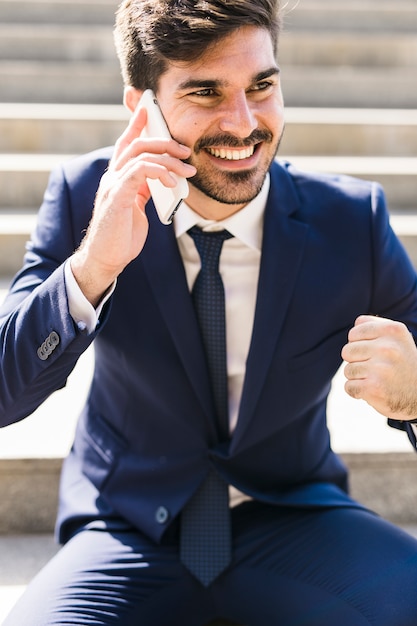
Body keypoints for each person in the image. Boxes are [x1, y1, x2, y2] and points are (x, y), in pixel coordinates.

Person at [2, 0, 417, 623]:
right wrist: (93, 267)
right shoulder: (87, 197)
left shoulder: (351, 220)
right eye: (205, 92)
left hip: (294, 514)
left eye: (262, 86)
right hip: (127, 525)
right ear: (141, 108)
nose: (244, 123)